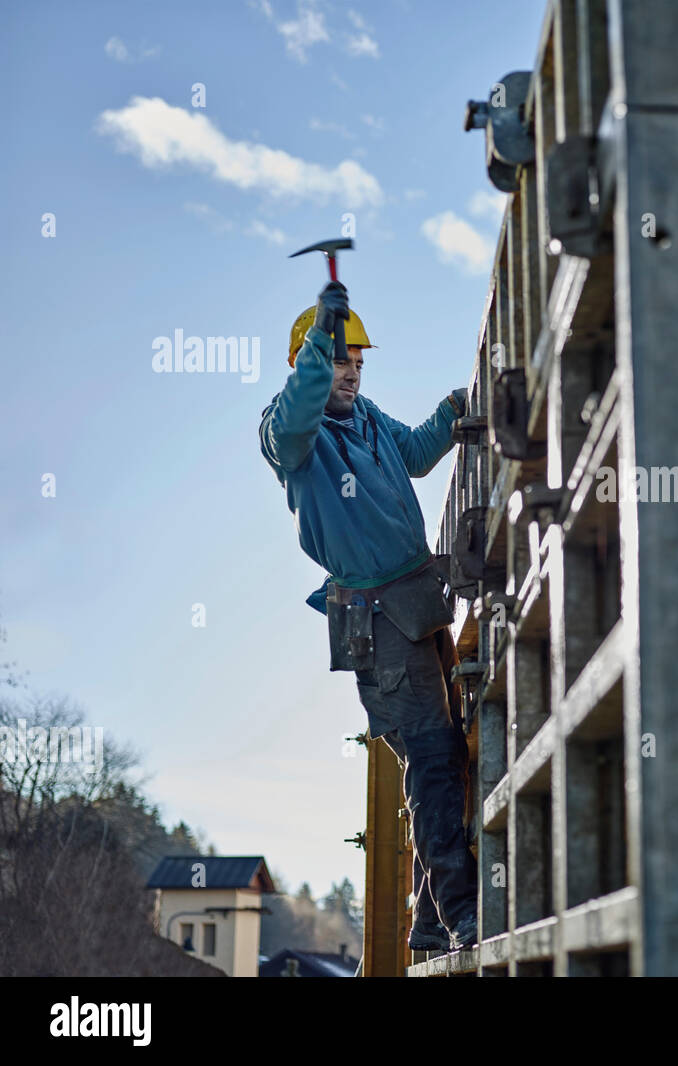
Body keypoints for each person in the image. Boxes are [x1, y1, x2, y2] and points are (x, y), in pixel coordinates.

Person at [259, 279, 476, 953]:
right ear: (310, 359)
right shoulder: (289, 435)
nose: (350, 371)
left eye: (357, 360)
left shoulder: (368, 416)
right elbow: (295, 415)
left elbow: (413, 454)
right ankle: (465, 914)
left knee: (441, 765)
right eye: (337, 358)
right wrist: (319, 342)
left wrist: (455, 409)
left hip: (418, 603)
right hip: (379, 622)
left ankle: (432, 921)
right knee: (434, 758)